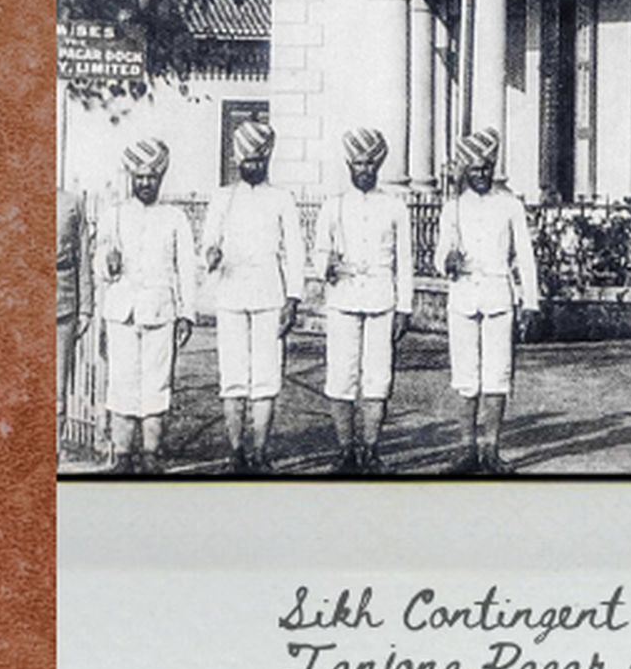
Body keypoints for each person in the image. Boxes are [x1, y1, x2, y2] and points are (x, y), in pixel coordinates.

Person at [202, 120, 304, 475]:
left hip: (269, 295)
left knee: (266, 377)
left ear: (268, 159)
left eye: (260, 160)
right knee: (232, 377)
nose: (254, 166)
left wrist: (293, 299)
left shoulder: (282, 199)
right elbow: (208, 244)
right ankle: (236, 451)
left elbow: (294, 251)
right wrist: (211, 255)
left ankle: (260, 451)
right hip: (230, 295)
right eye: (248, 160)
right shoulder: (222, 197)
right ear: (237, 159)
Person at [436, 129, 540, 476]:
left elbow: (524, 254)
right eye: (474, 169)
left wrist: (531, 302)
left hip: (499, 297)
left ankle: (491, 450)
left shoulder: (510, 205)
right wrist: (447, 261)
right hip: (463, 296)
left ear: (493, 167)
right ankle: (467, 449)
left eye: (486, 168)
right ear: (465, 169)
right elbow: (440, 253)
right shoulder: (452, 207)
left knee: (498, 377)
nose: (480, 174)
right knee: (466, 377)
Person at [313, 126, 414, 476]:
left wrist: (404, 308)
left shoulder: (395, 206)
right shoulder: (333, 206)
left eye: (371, 164)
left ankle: (370, 449)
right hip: (342, 299)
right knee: (341, 376)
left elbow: (405, 260)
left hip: (382, 300)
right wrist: (326, 266)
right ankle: (345, 450)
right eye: (358, 164)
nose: (364, 170)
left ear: (380, 165)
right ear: (348, 164)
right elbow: (318, 254)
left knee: (377, 377)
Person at [97, 140, 196, 476]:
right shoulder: (114, 214)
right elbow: (100, 262)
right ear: (131, 177)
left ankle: (151, 454)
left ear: (161, 178)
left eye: (151, 177)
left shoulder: (174, 218)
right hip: (121, 312)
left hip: (160, 312)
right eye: (139, 177)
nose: (144, 184)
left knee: (156, 383)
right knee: (122, 381)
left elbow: (187, 269)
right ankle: (123, 454)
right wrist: (107, 264)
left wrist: (186, 314)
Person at [56, 187, 95, 456]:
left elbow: (83, 257)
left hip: (63, 306)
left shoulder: (72, 202)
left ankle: (53, 451)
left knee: (57, 388)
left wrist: (85, 309)